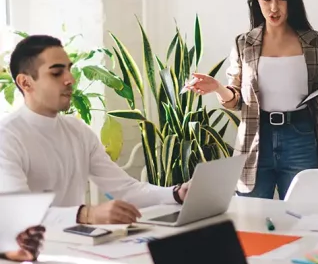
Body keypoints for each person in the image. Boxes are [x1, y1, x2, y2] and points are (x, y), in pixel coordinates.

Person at [185, 0, 318, 199]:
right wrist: (217, 87)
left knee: (304, 213)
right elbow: (236, 99)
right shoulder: (244, 43)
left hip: (301, 135)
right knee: (251, 216)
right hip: (256, 136)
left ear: (292, 1)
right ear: (256, 1)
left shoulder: (314, 42)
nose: (274, 8)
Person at [0, 35, 190, 226]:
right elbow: (18, 212)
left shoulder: (77, 130)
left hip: (77, 244)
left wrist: (176, 193)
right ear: (26, 83)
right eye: (57, 73)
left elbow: (124, 188)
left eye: (69, 70)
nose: (70, 79)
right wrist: (86, 215)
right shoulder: (6, 137)